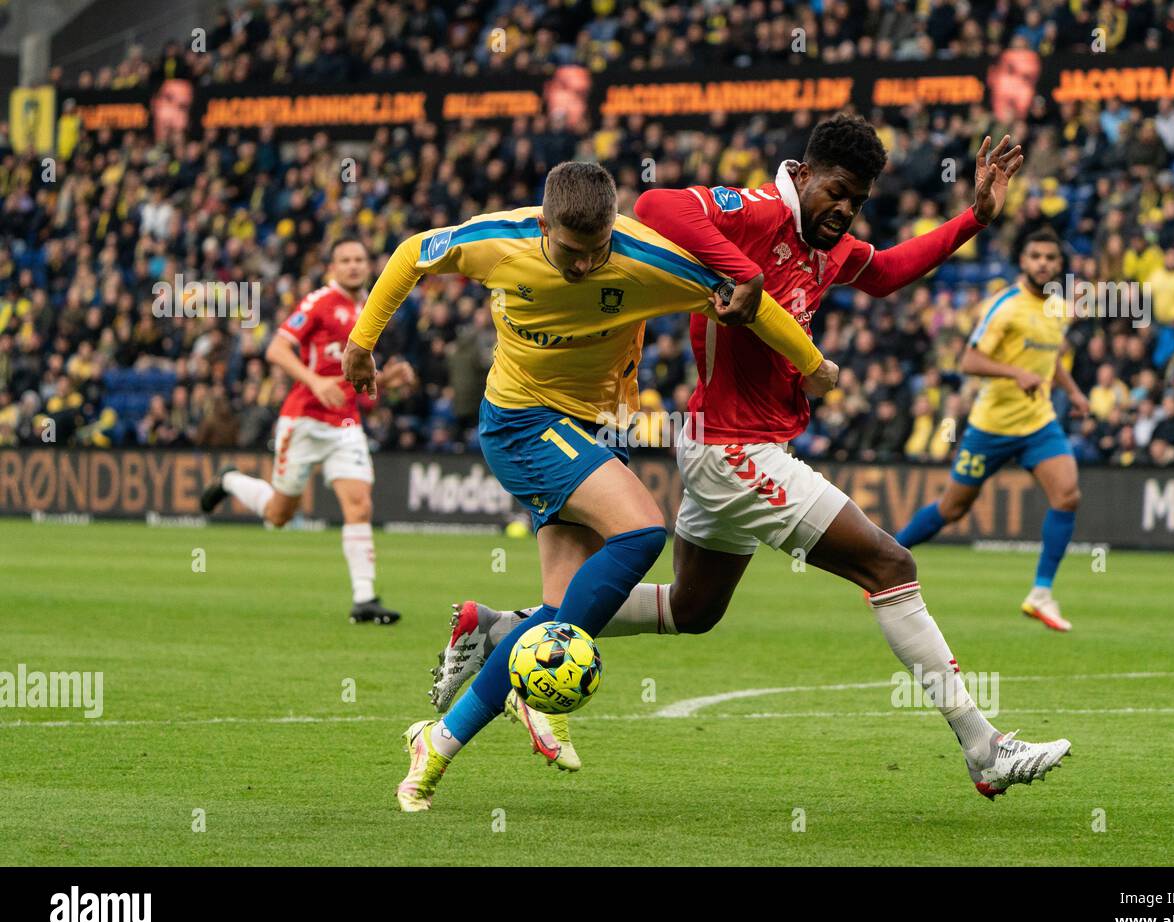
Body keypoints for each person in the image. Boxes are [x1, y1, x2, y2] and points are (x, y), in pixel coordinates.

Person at [438, 117, 1073, 801]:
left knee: (694, 607)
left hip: (733, 446)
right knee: (890, 565)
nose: (844, 208)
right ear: (801, 175)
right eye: (836, 190)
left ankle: (503, 631)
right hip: (733, 448)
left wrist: (972, 219)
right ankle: (985, 747)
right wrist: (742, 274)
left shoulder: (823, 247)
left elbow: (886, 272)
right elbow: (656, 206)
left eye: (856, 200)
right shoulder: (759, 213)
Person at [339, 161, 837, 812]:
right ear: (545, 225)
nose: (583, 267)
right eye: (571, 253)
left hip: (602, 428)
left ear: (614, 226)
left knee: (556, 613)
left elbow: (749, 294)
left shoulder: (648, 260)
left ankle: (436, 743)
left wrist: (813, 364)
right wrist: (361, 340)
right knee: (641, 532)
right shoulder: (500, 242)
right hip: (522, 423)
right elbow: (412, 254)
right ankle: (530, 686)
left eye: (597, 249)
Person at [199, 237, 415, 624]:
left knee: (359, 503)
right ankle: (230, 479)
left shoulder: (371, 309)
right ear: (332, 267)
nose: (352, 265)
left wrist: (388, 380)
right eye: (345, 260)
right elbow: (277, 350)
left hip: (345, 422)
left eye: (359, 259)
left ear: (369, 266)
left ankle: (364, 600)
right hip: (304, 419)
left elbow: (356, 383)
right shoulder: (319, 302)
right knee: (279, 514)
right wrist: (315, 381)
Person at [894, 229, 1090, 632]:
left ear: (1059, 265)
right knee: (953, 508)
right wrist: (1014, 372)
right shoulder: (1003, 307)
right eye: (1035, 255)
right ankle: (889, 555)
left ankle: (1041, 593)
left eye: (1051, 257)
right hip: (991, 426)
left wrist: (1074, 392)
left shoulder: (1059, 308)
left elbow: (1050, 360)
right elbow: (969, 361)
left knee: (1067, 495)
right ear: (1023, 261)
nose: (1043, 263)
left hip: (1038, 422)